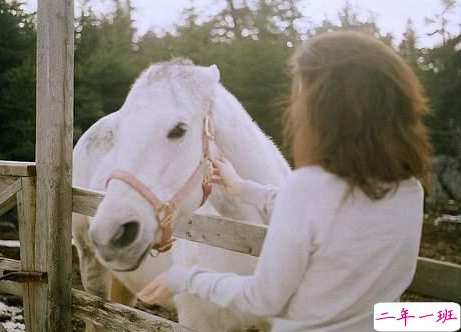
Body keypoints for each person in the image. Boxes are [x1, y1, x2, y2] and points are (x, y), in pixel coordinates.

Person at [137, 31, 432, 331]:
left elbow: (263, 299)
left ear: (327, 107)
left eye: (302, 92)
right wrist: (242, 188)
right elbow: (332, 216)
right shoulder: (410, 191)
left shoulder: (307, 187)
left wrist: (185, 278)